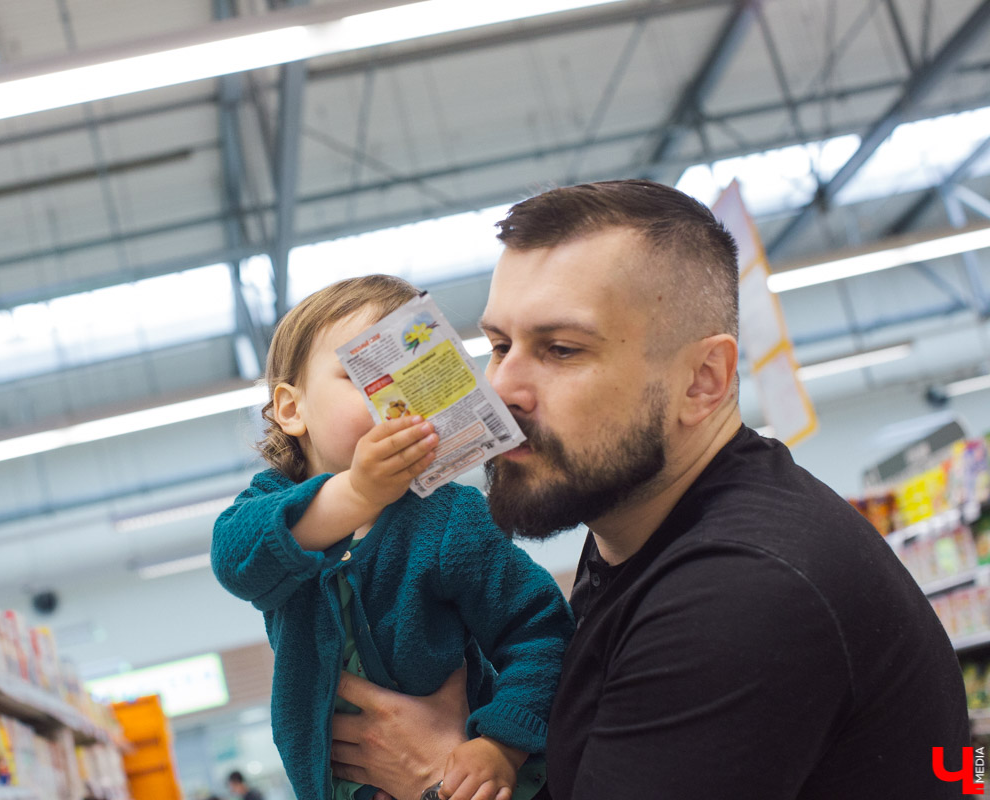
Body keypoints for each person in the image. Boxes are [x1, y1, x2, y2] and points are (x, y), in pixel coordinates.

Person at [329, 180, 971, 800]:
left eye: (561, 349)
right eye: (499, 345)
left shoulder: (738, 594)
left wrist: (433, 778)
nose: (502, 388)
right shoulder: (638, 532)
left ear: (703, 381)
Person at [212, 275, 575, 800]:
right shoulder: (270, 506)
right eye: (364, 377)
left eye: (416, 377)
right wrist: (358, 493)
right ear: (292, 409)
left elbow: (540, 630)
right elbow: (236, 560)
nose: (396, 402)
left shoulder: (451, 516)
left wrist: (501, 744)